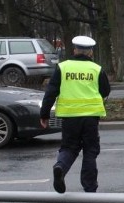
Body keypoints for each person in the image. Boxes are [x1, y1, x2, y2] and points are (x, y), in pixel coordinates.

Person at [40, 35, 111, 193]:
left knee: (69, 148)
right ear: (90, 52)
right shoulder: (96, 69)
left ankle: (60, 167)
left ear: (74, 50)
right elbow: (106, 91)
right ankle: (90, 187)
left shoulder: (63, 67)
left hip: (69, 117)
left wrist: (44, 114)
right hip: (90, 117)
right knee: (90, 151)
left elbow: (51, 92)